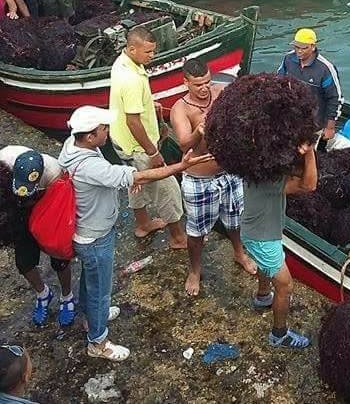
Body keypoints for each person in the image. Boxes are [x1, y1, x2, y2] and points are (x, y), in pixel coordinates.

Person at [59, 106, 213, 362]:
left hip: (85, 229)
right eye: (103, 129)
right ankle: (97, 342)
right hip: (95, 236)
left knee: (90, 280)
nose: (107, 132)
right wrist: (181, 166)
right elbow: (141, 176)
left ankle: (90, 316)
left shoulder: (71, 145)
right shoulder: (91, 167)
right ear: (89, 136)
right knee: (100, 288)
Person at [170, 59, 257, 296]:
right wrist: (199, 132)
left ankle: (239, 253)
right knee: (197, 231)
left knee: (236, 220)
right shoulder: (181, 109)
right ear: (185, 82)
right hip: (200, 179)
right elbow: (184, 144)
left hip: (229, 172)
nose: (204, 88)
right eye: (198, 84)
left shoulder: (220, 92)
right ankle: (195, 270)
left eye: (207, 82)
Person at [109, 26, 187, 249]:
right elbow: (133, 121)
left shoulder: (121, 62)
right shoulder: (132, 79)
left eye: (153, 51)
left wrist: (147, 105)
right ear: (132, 49)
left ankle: (143, 224)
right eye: (148, 52)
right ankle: (178, 238)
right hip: (137, 145)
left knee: (136, 182)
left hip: (120, 140)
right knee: (167, 188)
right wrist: (153, 152)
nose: (152, 56)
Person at [242, 143, 317, 349]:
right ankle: (279, 335)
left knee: (266, 266)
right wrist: (310, 152)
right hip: (262, 239)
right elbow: (309, 185)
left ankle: (263, 297)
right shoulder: (270, 181)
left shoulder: (254, 170)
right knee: (285, 286)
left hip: (258, 233)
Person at [0, 146, 74, 327]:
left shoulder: (54, 171)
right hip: (17, 211)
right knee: (24, 261)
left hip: (46, 207)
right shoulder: (5, 163)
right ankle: (43, 293)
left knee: (59, 258)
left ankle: (67, 296)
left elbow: (61, 200)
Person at [277, 28, 343, 146]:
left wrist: (330, 128)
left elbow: (335, 98)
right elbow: (279, 81)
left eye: (304, 48)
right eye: (297, 47)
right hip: (291, 117)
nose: (299, 51)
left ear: (313, 47)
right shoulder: (288, 59)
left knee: (307, 154)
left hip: (314, 122)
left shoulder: (325, 69)